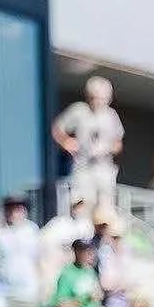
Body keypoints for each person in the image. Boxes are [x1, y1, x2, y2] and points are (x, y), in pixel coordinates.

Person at [52, 76, 124, 208]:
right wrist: (66, 142)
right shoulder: (79, 110)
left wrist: (106, 148)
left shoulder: (111, 115)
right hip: (82, 167)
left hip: (103, 168)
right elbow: (57, 129)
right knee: (80, 205)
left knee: (104, 208)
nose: (98, 102)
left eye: (102, 98)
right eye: (94, 97)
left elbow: (118, 143)